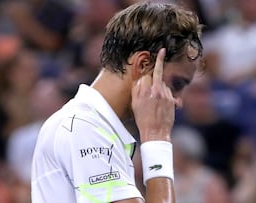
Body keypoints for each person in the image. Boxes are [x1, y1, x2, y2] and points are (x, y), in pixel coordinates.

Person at [31, 2, 203, 203]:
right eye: (176, 84)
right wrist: (157, 137)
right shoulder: (82, 128)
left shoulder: (91, 127)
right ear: (142, 64)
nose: (178, 101)